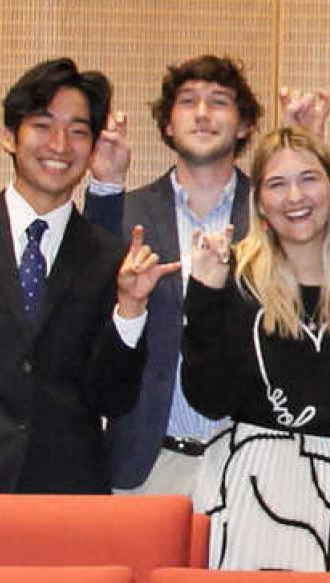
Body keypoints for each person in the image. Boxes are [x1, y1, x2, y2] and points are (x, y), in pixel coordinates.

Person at [0, 58, 161, 494]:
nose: (59, 144)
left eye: (78, 131)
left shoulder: (110, 256)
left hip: (66, 493)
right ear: (8, 136)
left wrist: (130, 311)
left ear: (93, 149)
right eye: (42, 125)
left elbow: (113, 398)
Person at [179, 127, 330, 570]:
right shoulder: (232, 276)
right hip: (249, 479)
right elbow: (209, 399)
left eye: (309, 179)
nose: (295, 196)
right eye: (277, 184)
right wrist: (204, 296)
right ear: (259, 203)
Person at [108, 56, 262, 495]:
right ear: (168, 125)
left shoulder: (272, 216)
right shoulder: (125, 214)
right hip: (147, 461)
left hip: (249, 458)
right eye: (188, 101)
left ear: (245, 124)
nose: (202, 113)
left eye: (219, 102)